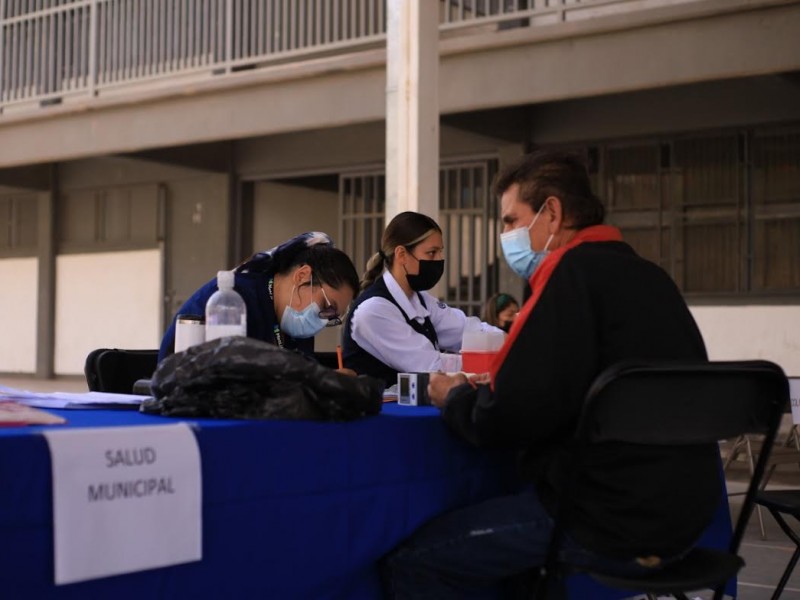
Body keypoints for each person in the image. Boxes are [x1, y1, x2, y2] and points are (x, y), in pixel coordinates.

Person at [380, 151, 720, 598]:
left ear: (552, 213)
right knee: (522, 571)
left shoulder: (569, 275)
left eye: (509, 220)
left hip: (603, 520)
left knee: (413, 563)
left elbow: (508, 418)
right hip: (689, 516)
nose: (504, 235)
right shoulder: (651, 277)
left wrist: (456, 397)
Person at [342, 211, 501, 387]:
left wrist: (509, 344)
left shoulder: (421, 301)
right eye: (431, 253)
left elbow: (469, 330)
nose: (439, 260)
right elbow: (429, 366)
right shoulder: (373, 310)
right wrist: (490, 363)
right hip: (383, 412)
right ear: (401, 255)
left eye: (441, 252)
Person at [158, 232, 359, 363]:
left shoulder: (296, 325)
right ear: (302, 276)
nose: (323, 319)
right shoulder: (234, 301)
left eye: (332, 318)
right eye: (327, 307)